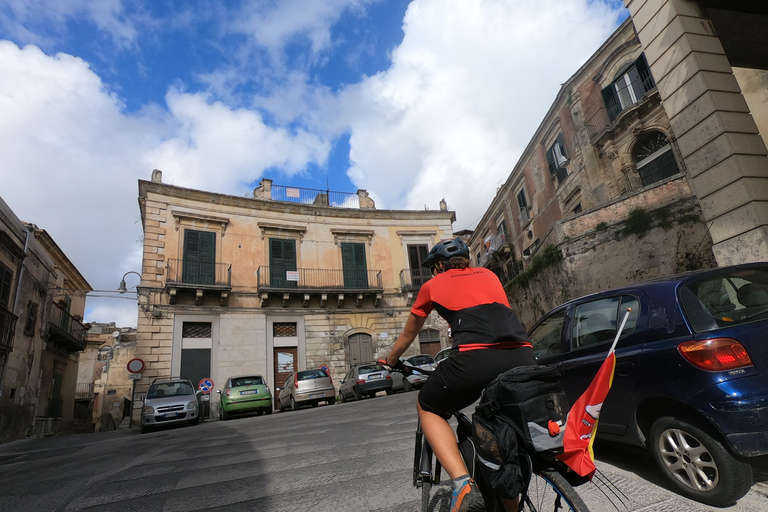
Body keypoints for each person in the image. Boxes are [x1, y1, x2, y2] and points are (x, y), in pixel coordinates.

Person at [383, 238, 535, 512]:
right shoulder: (490, 275)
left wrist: (391, 360)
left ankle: (464, 484)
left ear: (439, 265)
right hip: (523, 355)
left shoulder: (432, 285)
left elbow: (408, 334)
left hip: (474, 359)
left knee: (427, 405)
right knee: (494, 426)